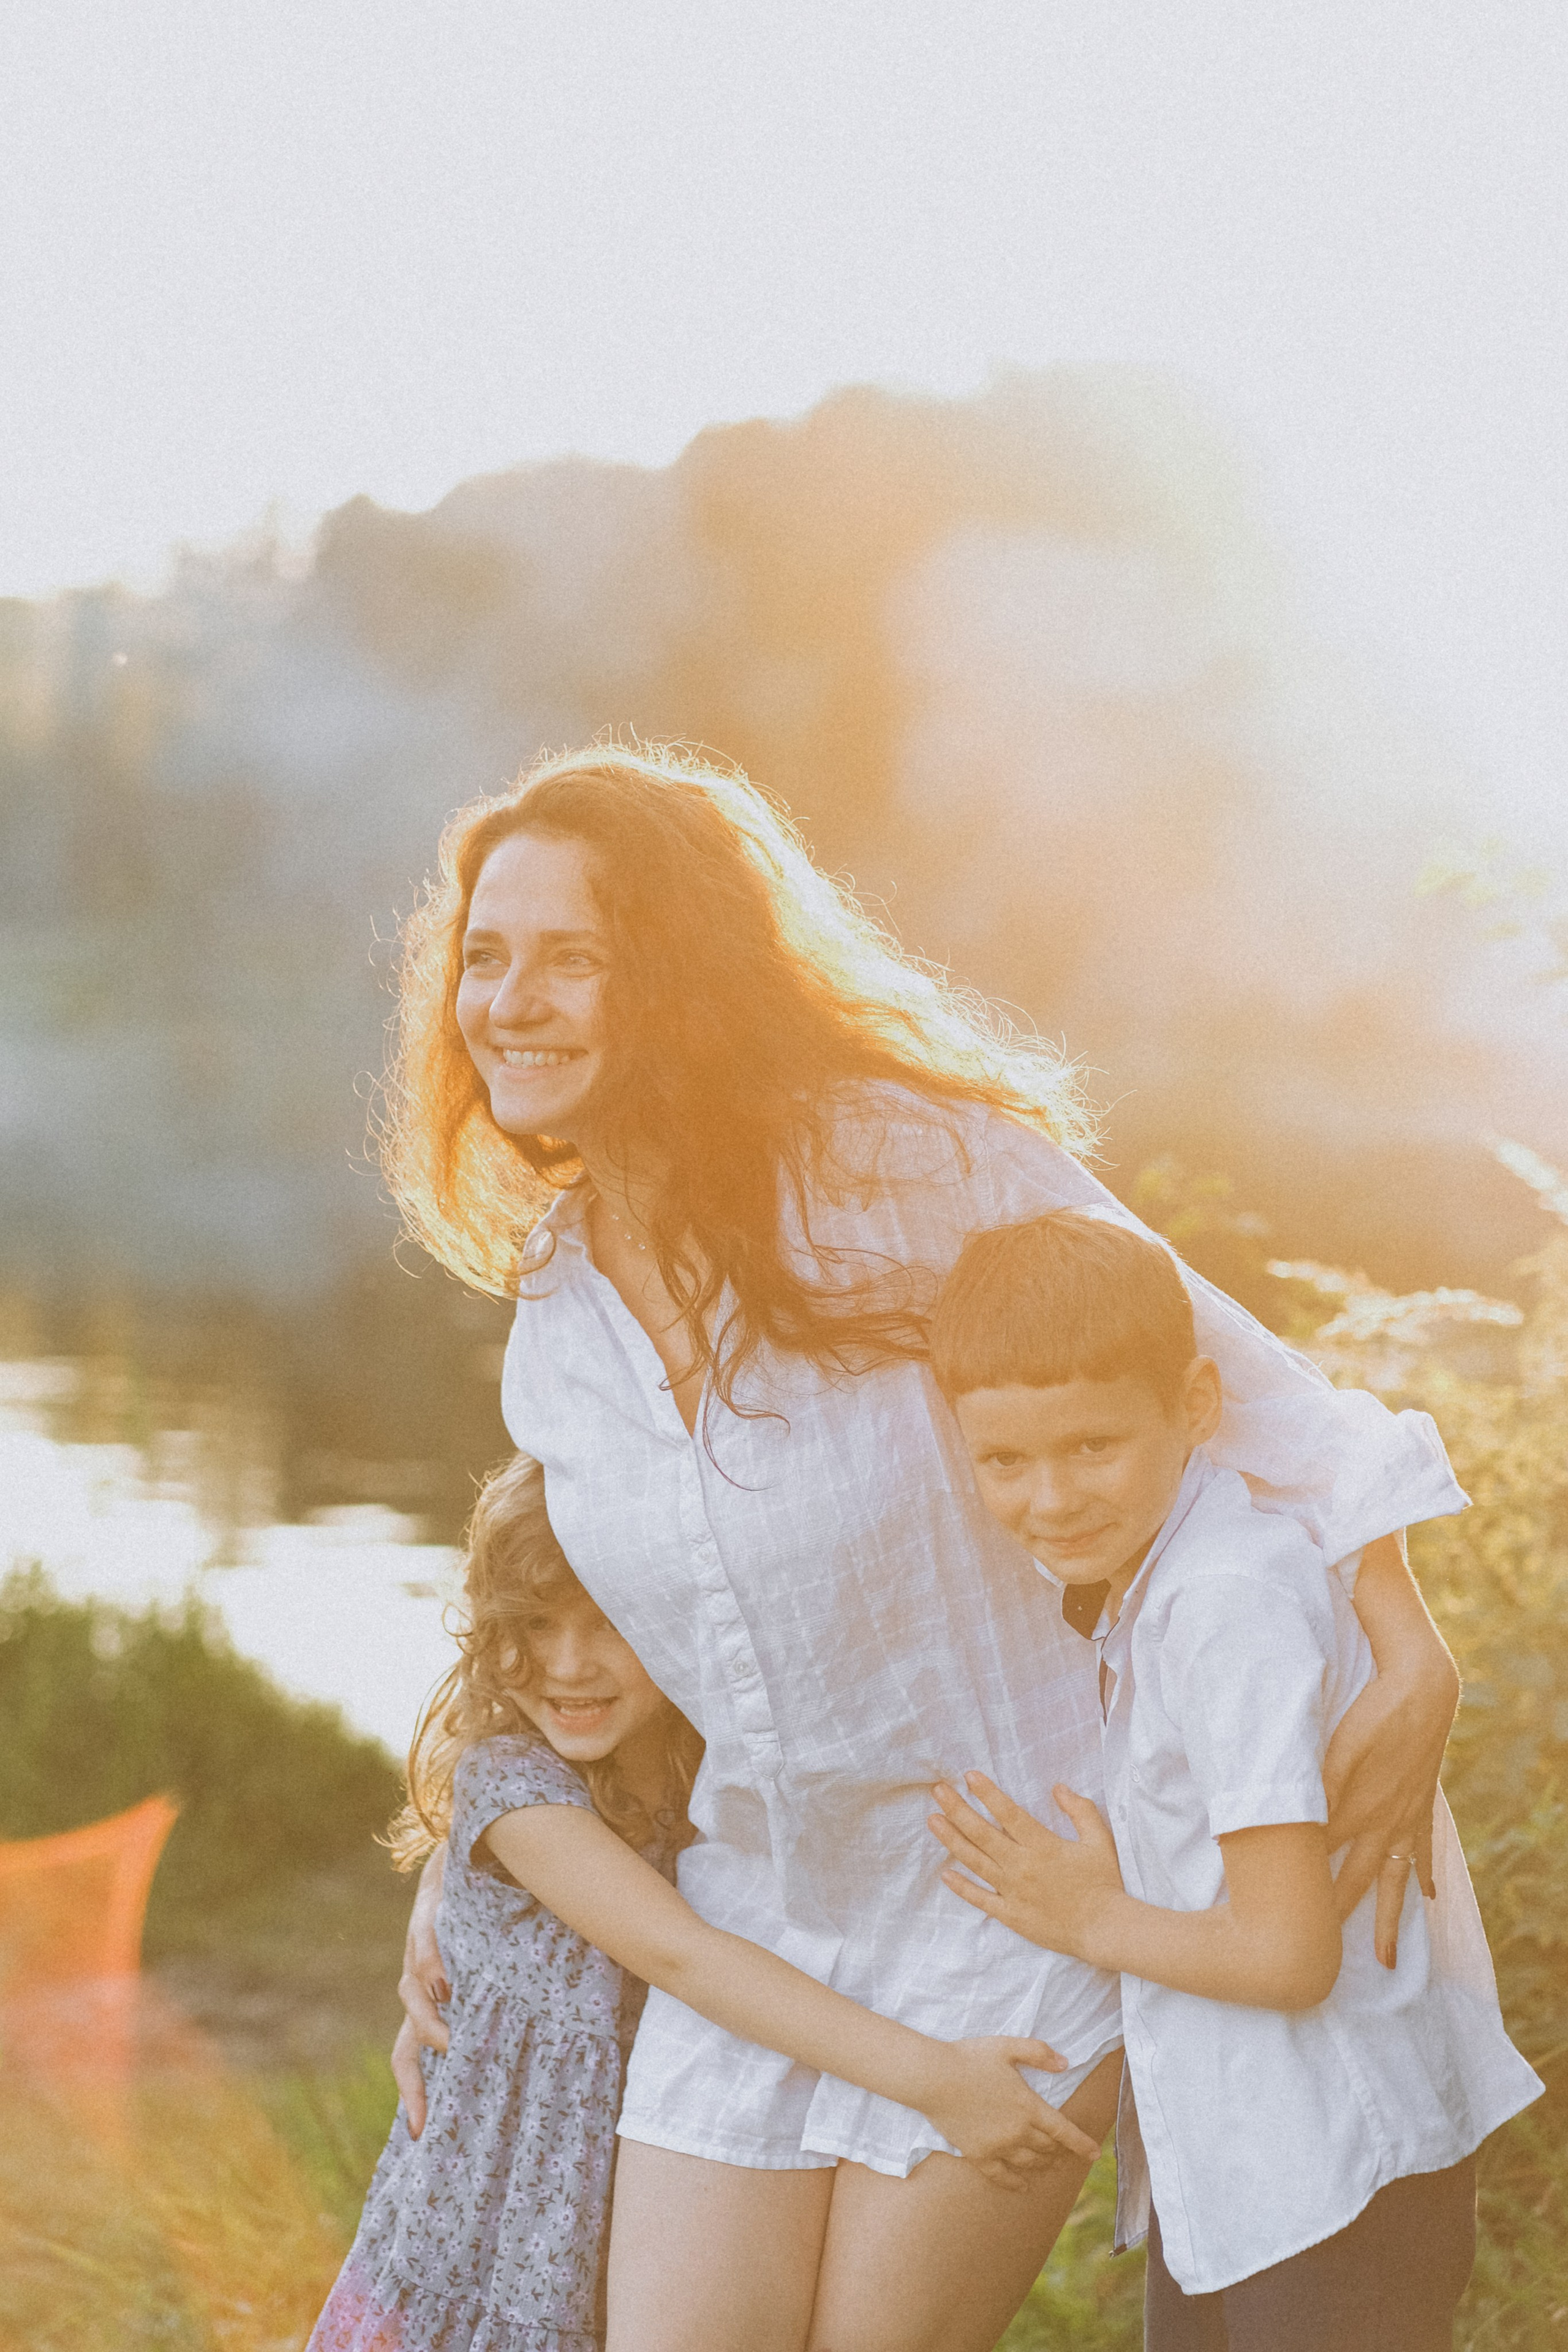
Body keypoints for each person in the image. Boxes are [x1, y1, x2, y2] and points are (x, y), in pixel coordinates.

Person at [383, 742, 1468, 2352]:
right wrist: (465, 1874)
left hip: (1021, 1892)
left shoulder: (905, 1163)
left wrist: (1411, 1642)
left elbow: (1238, 1385)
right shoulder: (554, 1307)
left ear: (673, 976)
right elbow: (578, 1616)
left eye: (570, 957)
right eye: (485, 954)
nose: (508, 1000)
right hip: (761, 1908)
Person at [927, 1208, 1541, 2351]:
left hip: (1329, 2173)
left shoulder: (1223, 1602)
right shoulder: (1165, 1576)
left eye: (1091, 1447)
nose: (1050, 1501)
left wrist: (1088, 1914)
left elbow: (1288, 1955)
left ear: (1197, 1409)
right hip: (1257, 2167)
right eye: (1006, 1461)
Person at [311, 1454, 1090, 2352]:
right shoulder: (514, 1787)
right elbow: (687, 1956)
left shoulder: (708, 1766)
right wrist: (939, 2080)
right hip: (500, 2225)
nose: (568, 1665)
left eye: (608, 1623)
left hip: (633, 2200)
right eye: (531, 1625)